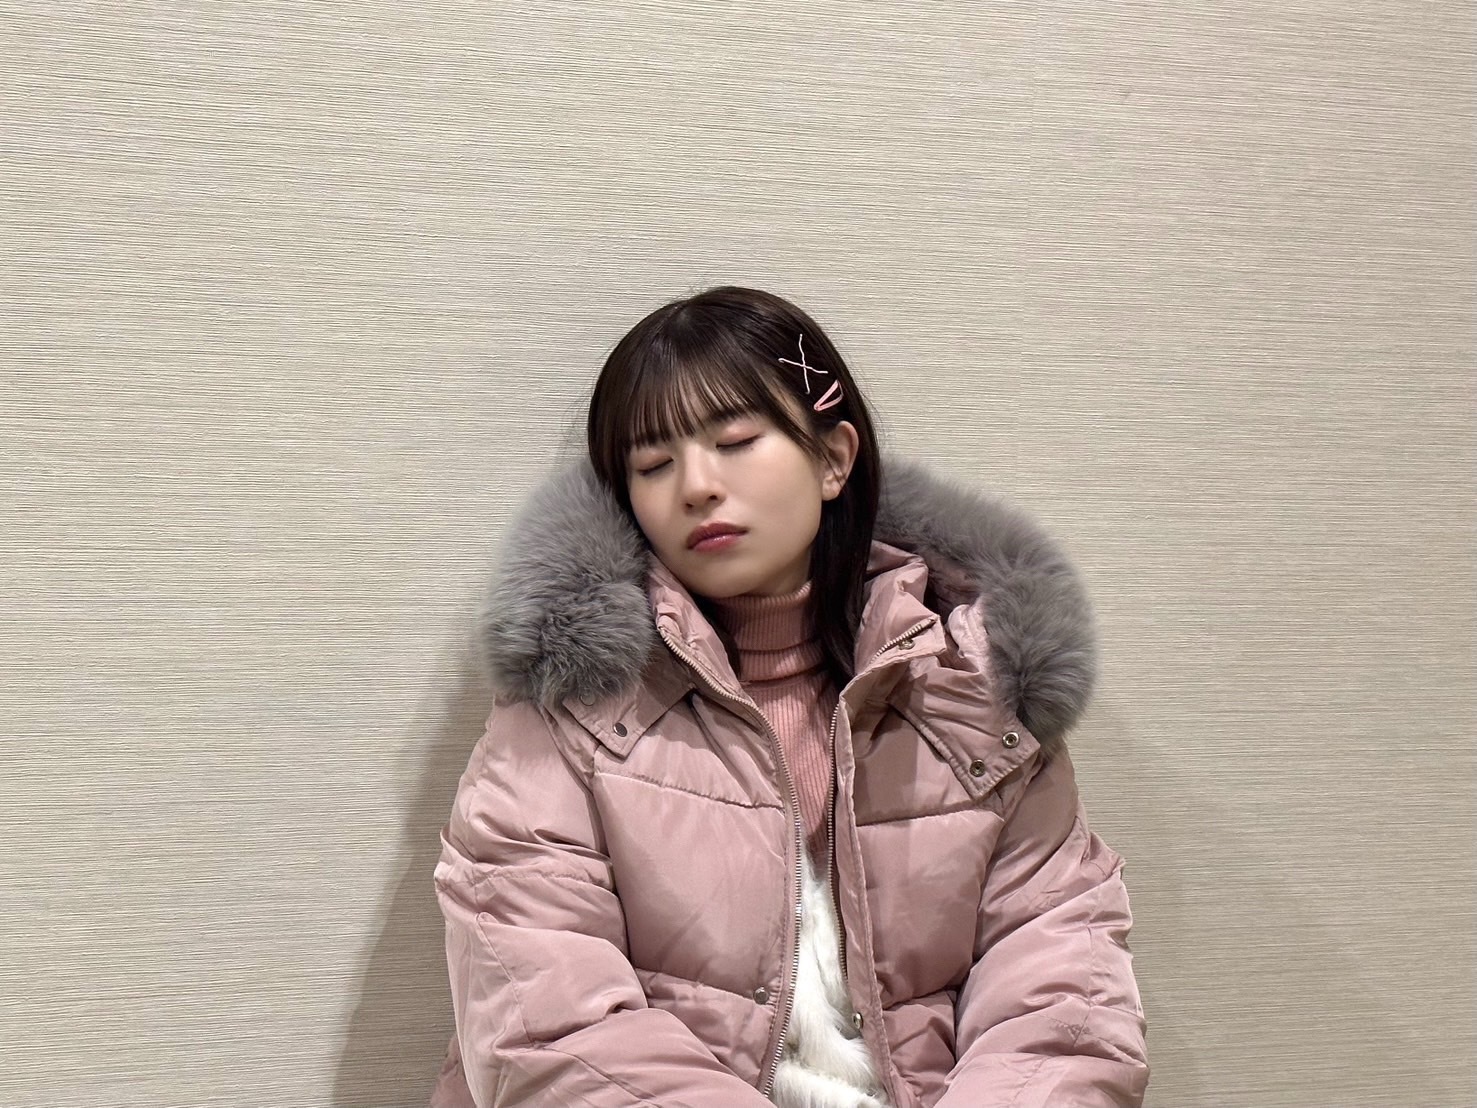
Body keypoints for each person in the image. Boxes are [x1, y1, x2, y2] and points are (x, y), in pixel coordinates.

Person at [430, 286, 1149, 1107]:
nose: (696, 486)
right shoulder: (571, 708)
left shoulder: (974, 691)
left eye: (735, 441)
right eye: (653, 465)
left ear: (833, 459)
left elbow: (1062, 989)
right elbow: (544, 1024)